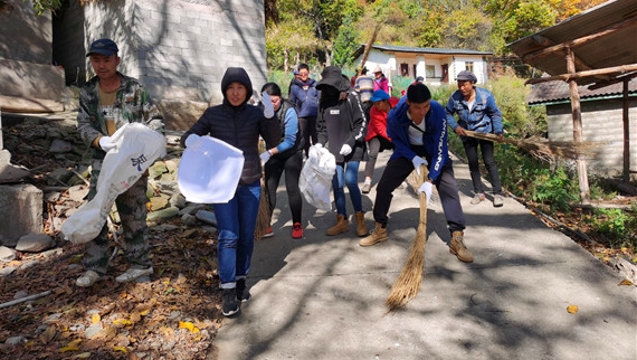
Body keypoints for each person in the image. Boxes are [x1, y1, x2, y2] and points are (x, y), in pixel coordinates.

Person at [180, 67, 280, 317]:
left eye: (241, 88)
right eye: (231, 88)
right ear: (225, 90)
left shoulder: (256, 114)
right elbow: (189, 134)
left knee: (246, 236)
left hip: (249, 181)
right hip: (221, 185)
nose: (235, 93)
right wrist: (190, 140)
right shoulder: (213, 114)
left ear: (247, 91)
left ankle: (240, 281)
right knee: (228, 236)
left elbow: (274, 140)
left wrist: (270, 117)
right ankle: (227, 290)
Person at [75, 38, 165, 288]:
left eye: (106, 59)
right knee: (97, 212)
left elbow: (155, 120)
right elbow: (82, 124)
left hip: (131, 164)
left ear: (117, 60)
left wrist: (150, 144)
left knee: (133, 213)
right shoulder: (88, 91)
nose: (101, 65)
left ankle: (140, 264)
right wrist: (98, 140)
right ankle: (95, 268)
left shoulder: (134, 89)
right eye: (96, 60)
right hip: (102, 162)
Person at [359, 83, 473, 264]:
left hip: (432, 149)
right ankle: (380, 229)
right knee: (384, 186)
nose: (422, 111)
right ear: (408, 103)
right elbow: (396, 140)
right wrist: (412, 157)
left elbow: (441, 149)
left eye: (426, 106)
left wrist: (431, 179)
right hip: (408, 150)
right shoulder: (395, 116)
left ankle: (457, 237)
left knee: (449, 188)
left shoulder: (436, 111)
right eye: (417, 107)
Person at [315, 66, 368, 237]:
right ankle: (342, 219)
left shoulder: (352, 96)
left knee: (350, 180)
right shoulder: (323, 100)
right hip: (334, 149)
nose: (328, 89)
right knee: (337, 183)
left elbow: (362, 123)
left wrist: (351, 142)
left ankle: (359, 218)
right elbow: (321, 128)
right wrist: (320, 144)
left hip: (353, 146)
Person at [445, 70, 505, 207]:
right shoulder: (455, 98)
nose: (462, 88)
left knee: (489, 161)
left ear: (472, 83)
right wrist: (455, 127)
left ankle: (498, 193)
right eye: (459, 85)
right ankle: (479, 192)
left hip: (485, 132)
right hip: (467, 133)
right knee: (473, 163)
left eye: (465, 85)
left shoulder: (485, 96)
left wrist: (498, 131)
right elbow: (447, 113)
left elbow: (495, 113)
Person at [259, 83, 305, 239]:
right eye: (268, 101)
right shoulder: (259, 110)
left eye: (275, 101)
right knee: (269, 189)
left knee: (292, 187)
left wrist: (268, 152)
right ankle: (266, 224)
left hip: (292, 152)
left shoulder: (289, 111)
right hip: (273, 153)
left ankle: (297, 223)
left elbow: (290, 141)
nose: (272, 105)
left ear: (280, 98)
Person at [361, 90, 399, 194]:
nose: (376, 105)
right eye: (374, 103)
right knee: (373, 153)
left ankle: (396, 178)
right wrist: (394, 139)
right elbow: (381, 130)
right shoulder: (373, 110)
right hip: (376, 134)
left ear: (385, 101)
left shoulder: (396, 102)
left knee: (399, 153)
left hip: (393, 133)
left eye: (378, 103)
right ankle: (367, 181)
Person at [289, 63, 320, 157]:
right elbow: (292, 102)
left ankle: (318, 157)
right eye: (301, 73)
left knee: (316, 137)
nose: (303, 75)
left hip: (314, 115)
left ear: (308, 72)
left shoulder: (315, 85)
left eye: (305, 73)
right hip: (301, 116)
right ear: (298, 73)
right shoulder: (294, 87)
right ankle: (308, 157)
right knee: (304, 138)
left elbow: (320, 98)